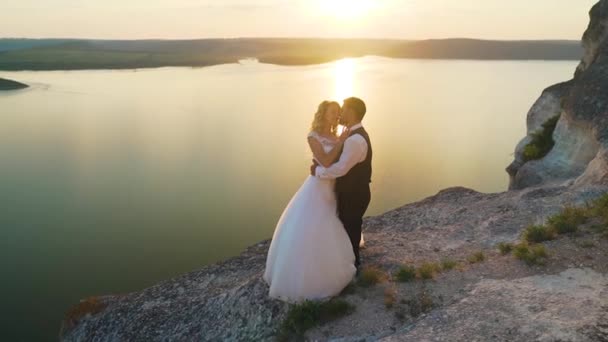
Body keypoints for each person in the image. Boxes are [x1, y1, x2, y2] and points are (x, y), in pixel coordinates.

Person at [263, 101, 357, 302]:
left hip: (333, 187)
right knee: (313, 224)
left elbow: (343, 162)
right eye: (332, 112)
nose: (336, 116)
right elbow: (324, 161)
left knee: (333, 222)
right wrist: (340, 143)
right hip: (317, 187)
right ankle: (306, 279)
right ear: (323, 114)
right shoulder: (313, 137)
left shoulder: (338, 135)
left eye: (337, 113)